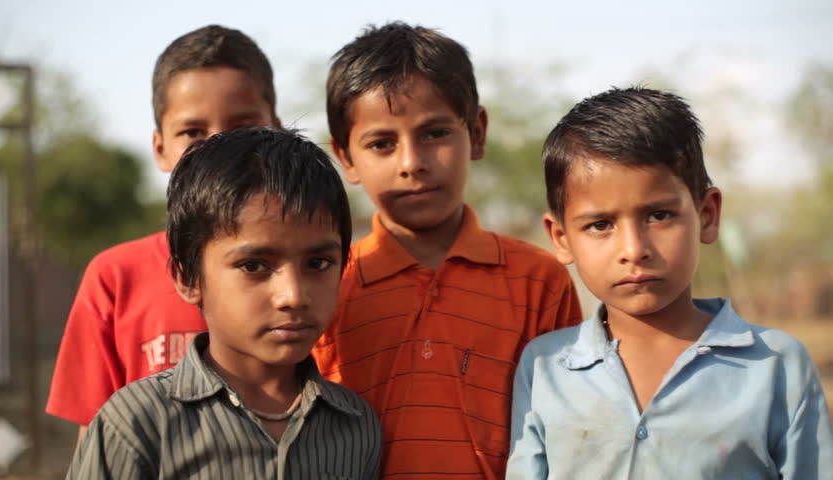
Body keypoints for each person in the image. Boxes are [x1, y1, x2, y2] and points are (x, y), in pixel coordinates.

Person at [507, 86, 833, 479]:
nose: (633, 249)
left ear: (707, 215)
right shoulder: (545, 367)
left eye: (659, 215)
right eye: (600, 225)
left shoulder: (777, 365)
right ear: (561, 238)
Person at [312, 22, 582, 479]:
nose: (411, 162)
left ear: (476, 132)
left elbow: (570, 428)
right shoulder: (328, 284)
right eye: (382, 143)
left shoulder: (538, 279)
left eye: (435, 133)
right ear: (346, 158)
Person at [67, 126, 381, 479]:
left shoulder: (357, 428)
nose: (293, 295)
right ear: (188, 278)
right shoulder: (137, 425)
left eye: (318, 263)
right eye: (253, 266)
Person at [46, 25, 281, 439]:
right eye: (193, 132)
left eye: (242, 125)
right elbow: (96, 438)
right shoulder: (116, 278)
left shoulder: (312, 272)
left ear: (276, 130)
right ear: (160, 149)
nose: (218, 147)